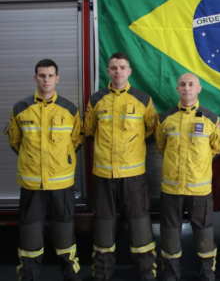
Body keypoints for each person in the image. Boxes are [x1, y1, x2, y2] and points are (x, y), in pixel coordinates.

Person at [5, 59, 84, 281]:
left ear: (57, 78)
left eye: (50, 75)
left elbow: (76, 141)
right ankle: (28, 275)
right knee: (30, 234)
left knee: (65, 232)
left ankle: (71, 275)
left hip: (62, 183)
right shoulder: (20, 108)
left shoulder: (69, 109)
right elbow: (15, 142)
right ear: (35, 78)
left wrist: (61, 161)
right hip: (31, 183)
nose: (46, 80)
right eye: (42, 75)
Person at [84, 52, 158, 281]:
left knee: (141, 227)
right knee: (104, 228)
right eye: (114, 68)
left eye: (122, 67)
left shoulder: (143, 99)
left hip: (134, 176)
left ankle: (147, 272)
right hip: (103, 175)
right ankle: (102, 272)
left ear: (129, 71)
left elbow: (151, 129)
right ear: (108, 72)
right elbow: (89, 130)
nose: (118, 72)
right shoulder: (96, 100)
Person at [155, 73, 220, 281]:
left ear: (199, 89)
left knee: (204, 234)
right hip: (171, 190)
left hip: (200, 190)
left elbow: (218, 148)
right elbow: (162, 147)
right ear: (177, 89)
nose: (187, 88)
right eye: (183, 84)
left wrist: (199, 164)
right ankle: (170, 273)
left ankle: (206, 273)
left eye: (191, 84)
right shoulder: (165, 118)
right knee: (169, 234)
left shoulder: (211, 119)